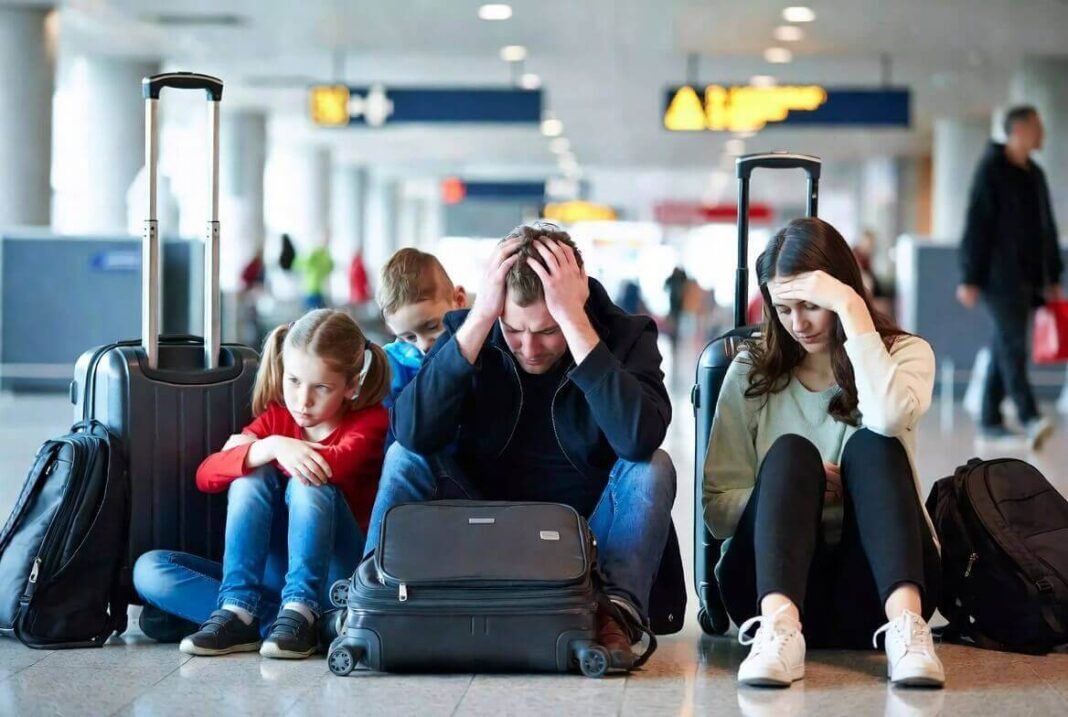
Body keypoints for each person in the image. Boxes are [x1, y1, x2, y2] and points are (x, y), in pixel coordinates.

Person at [369, 222, 676, 670]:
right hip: (481, 518)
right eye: (515, 331)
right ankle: (371, 597)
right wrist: (479, 322)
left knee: (653, 466)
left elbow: (639, 438)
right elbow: (413, 434)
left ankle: (616, 616)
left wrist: (576, 326)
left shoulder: (624, 336)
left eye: (548, 331)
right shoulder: (474, 330)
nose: (529, 348)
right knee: (404, 456)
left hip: (587, 531)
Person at [704, 218, 944, 688]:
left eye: (813, 305)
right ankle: (779, 631)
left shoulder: (906, 355)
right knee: (793, 456)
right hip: (768, 587)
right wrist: (797, 492)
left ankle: (907, 632)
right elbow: (717, 511)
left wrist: (852, 311)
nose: (799, 324)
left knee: (874, 441)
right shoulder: (751, 371)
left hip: (877, 584)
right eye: (785, 308)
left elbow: (892, 417)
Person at [133, 309, 390, 659]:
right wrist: (269, 447)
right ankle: (251, 616)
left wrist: (256, 450)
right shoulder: (276, 421)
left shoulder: (370, 422)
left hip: (332, 580)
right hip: (263, 585)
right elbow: (206, 475)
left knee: (307, 480)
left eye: (321, 388)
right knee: (150, 570)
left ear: (351, 386)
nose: (303, 400)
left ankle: (302, 611)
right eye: (294, 381)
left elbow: (329, 466)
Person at [957, 105, 1063, 449]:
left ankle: (990, 420)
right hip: (996, 279)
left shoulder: (1034, 174)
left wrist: (1052, 274)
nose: (1042, 134)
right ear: (1017, 130)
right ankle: (1029, 416)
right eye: (1036, 127)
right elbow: (977, 224)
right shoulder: (992, 170)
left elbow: (1046, 228)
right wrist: (970, 277)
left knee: (1005, 344)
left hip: (1028, 279)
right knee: (1014, 344)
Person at [377, 247, 468, 448]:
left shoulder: (478, 350)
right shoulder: (389, 367)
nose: (424, 344)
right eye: (408, 337)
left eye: (433, 327)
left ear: (459, 301)